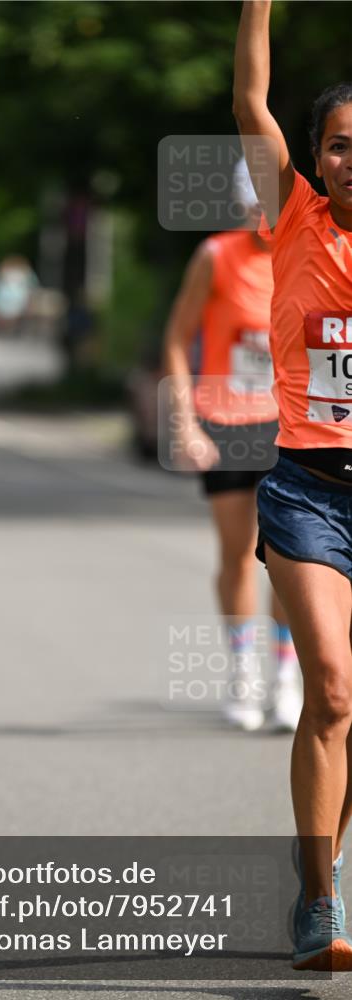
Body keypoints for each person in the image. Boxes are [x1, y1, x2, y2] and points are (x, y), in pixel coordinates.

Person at [234, 0, 352, 970]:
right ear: (316, 156)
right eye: (340, 146)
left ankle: (326, 878)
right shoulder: (292, 214)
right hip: (307, 489)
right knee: (331, 682)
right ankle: (317, 904)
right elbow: (248, 98)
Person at [163, 160, 301, 733]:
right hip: (225, 419)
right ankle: (244, 670)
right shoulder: (216, 256)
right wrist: (185, 423)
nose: (260, 215)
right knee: (238, 553)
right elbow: (176, 339)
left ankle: (287, 675)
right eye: (252, 203)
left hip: (291, 423)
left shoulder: (307, 254)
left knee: (293, 559)